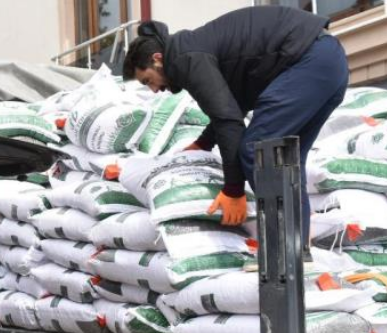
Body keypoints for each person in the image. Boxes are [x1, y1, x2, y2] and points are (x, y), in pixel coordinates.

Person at [123, 5, 349, 247]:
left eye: (148, 80)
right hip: (328, 62)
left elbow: (228, 121)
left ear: (157, 59)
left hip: (308, 60)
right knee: (287, 161)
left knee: (257, 151)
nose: (154, 89)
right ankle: (296, 251)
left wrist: (233, 190)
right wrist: (203, 143)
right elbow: (231, 105)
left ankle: (281, 252)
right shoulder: (193, 49)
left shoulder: (185, 57)